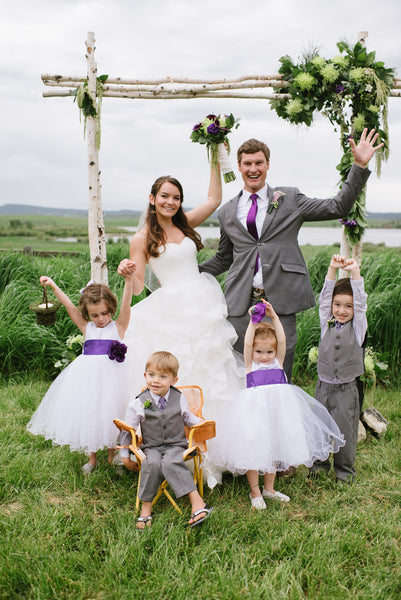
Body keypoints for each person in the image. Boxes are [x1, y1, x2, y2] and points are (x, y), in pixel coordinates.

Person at [199, 128, 382, 381]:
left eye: (259, 163)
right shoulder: (227, 212)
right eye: (247, 163)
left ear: (268, 164)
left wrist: (359, 166)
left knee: (280, 371)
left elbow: (338, 206)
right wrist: (190, 271)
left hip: (281, 302)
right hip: (240, 304)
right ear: (239, 167)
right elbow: (223, 258)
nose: (253, 169)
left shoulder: (289, 198)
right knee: (241, 371)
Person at [117, 164, 243, 431]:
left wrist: (214, 160)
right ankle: (172, 437)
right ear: (152, 199)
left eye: (176, 197)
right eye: (164, 196)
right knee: (179, 364)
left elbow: (214, 200)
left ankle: (213, 440)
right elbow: (139, 287)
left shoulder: (184, 224)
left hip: (201, 302)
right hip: (170, 309)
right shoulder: (141, 238)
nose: (170, 202)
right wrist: (127, 273)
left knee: (211, 364)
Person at [209, 299, 345, 509]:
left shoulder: (278, 362)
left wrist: (275, 317)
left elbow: (282, 341)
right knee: (253, 451)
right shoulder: (250, 365)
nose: (264, 357)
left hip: (276, 414)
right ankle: (255, 491)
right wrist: (254, 321)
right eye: (260, 352)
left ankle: (269, 488)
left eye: (269, 352)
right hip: (254, 416)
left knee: (273, 449)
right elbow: (247, 342)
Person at [27, 275, 133, 475]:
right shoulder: (87, 328)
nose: (100, 319)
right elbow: (69, 307)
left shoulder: (118, 327)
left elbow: (126, 306)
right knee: (91, 414)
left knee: (111, 414)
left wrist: (128, 280)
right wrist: (53, 285)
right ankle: (91, 458)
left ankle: (113, 455)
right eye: (95, 315)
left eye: (105, 313)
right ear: (88, 314)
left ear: (111, 308)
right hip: (88, 380)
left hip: (113, 381)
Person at [119, 351, 213, 529]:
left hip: (175, 444)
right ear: (145, 375)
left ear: (174, 380)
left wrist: (202, 423)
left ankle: (197, 503)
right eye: (151, 375)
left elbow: (188, 418)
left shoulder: (179, 398)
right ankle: (146, 508)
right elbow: (127, 431)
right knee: (151, 463)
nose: (155, 380)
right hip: (151, 447)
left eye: (163, 376)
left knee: (171, 461)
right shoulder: (138, 403)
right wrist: (125, 455)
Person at [310, 255, 367, 483]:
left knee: (345, 432)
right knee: (320, 428)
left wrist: (355, 274)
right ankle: (317, 468)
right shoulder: (327, 323)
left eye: (348, 306)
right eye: (338, 305)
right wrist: (332, 269)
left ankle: (344, 474)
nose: (342, 310)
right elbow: (324, 298)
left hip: (346, 388)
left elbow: (361, 303)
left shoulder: (358, 328)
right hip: (323, 385)